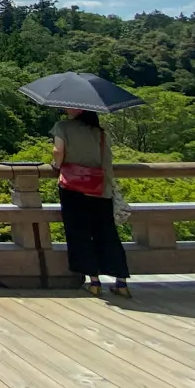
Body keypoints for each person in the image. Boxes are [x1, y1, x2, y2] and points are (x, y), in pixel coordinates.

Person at [52, 108, 130, 298]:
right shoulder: (100, 132)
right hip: (100, 187)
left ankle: (94, 282)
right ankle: (121, 282)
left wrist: (55, 165)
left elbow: (58, 152)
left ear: (77, 109)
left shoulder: (62, 127)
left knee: (79, 233)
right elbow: (107, 161)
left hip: (73, 187)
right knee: (107, 232)